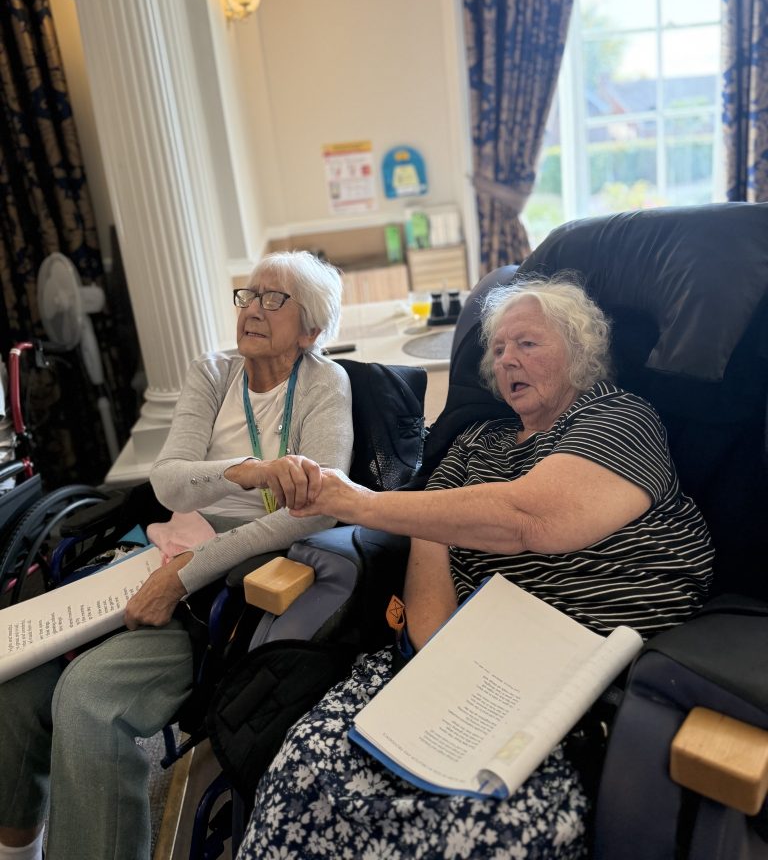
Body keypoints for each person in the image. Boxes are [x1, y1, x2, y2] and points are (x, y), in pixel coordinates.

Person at [237, 274, 714, 860]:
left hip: (577, 686)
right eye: (499, 349)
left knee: (474, 829)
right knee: (305, 770)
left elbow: (529, 518)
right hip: (473, 674)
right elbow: (430, 573)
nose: (507, 358)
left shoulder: (618, 417)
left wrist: (359, 502)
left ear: (580, 351)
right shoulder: (475, 445)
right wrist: (438, 678)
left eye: (527, 343)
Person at [0, 250, 353, 860]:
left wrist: (187, 574)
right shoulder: (213, 372)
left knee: (88, 702)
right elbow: (168, 483)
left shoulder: (326, 383)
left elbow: (317, 509)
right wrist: (249, 471)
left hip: (236, 579)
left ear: (311, 330)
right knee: (18, 681)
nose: (253, 309)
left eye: (274, 299)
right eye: (249, 294)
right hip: (169, 545)